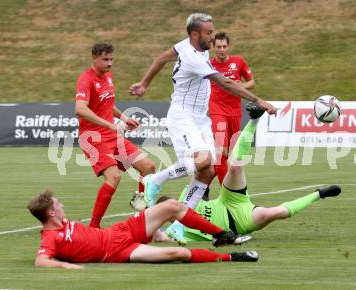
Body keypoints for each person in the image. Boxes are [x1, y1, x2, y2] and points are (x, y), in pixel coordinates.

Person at [129, 13, 277, 244]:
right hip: (182, 116)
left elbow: (160, 59)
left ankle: (178, 226)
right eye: (209, 32)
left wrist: (144, 84)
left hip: (200, 119)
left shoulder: (192, 46)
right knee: (202, 162)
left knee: (207, 171)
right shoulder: (191, 56)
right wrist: (259, 101)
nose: (212, 35)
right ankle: (154, 180)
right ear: (195, 34)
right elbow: (226, 82)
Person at [149, 103, 342, 242]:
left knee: (235, 166)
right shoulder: (177, 231)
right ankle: (319, 194)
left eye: (171, 205)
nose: (174, 209)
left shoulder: (184, 199)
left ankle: (254, 120)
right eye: (168, 212)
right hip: (240, 222)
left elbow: (201, 185)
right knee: (275, 213)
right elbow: (159, 238)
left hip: (229, 201)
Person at [27, 189, 257, 269]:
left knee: (173, 206)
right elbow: (41, 261)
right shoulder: (50, 236)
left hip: (120, 231)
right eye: (58, 205)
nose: (63, 205)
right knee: (180, 254)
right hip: (118, 253)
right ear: (51, 213)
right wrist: (67, 267)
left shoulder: (62, 222)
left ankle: (221, 236)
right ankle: (232, 257)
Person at [75, 43, 156, 228]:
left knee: (148, 167)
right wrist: (110, 124)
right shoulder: (86, 79)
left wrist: (124, 118)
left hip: (111, 134)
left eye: (111, 59)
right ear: (94, 58)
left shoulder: (108, 77)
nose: (109, 63)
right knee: (114, 177)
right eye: (105, 59)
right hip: (93, 137)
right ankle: (94, 228)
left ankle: (141, 219)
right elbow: (80, 109)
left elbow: (106, 104)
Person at [210, 32, 255, 185]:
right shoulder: (209, 65)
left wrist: (240, 85)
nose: (221, 50)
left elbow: (251, 82)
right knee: (220, 150)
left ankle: (204, 185)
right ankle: (225, 191)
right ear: (213, 47)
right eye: (218, 47)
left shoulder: (238, 61)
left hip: (235, 112)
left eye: (224, 46)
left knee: (228, 154)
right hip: (217, 110)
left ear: (228, 46)